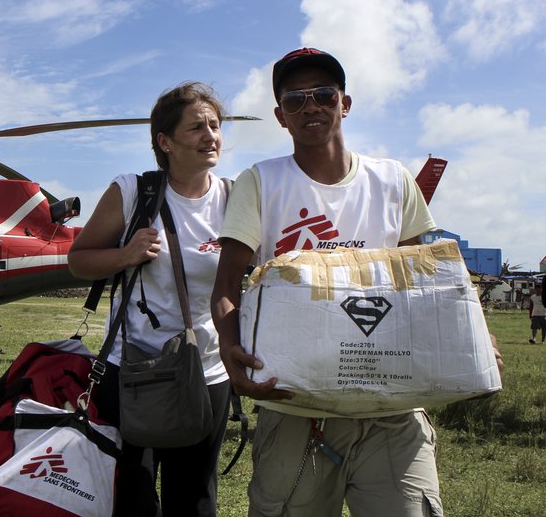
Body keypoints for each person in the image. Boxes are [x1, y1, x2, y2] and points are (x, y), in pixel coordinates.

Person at [211, 47, 505, 517]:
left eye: (324, 94)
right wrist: (229, 348)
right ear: (280, 116)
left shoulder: (393, 181)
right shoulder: (260, 182)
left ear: (344, 103)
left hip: (392, 411)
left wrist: (477, 335)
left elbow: (431, 279)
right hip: (293, 408)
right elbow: (227, 283)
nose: (311, 106)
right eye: (295, 99)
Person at [67, 82, 234, 517]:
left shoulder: (235, 198)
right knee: (132, 499)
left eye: (215, 125)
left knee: (195, 498)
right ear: (165, 141)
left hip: (207, 371)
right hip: (133, 372)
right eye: (196, 127)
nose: (210, 136)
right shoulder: (132, 192)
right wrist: (124, 255)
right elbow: (78, 261)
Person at [529, 278, 546, 344]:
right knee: (534, 327)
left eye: (539, 289)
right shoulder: (533, 297)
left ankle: (543, 340)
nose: (538, 290)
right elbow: (531, 307)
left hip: (544, 314)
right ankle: (534, 339)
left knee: (544, 328)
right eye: (536, 289)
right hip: (535, 314)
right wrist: (530, 315)